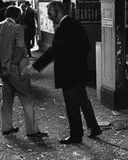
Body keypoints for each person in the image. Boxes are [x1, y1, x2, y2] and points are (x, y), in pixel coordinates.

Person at [30, 1, 101, 144]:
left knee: (72, 105)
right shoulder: (74, 24)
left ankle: (76, 135)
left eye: (50, 14)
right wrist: (77, 60)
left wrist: (35, 66)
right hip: (78, 71)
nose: (49, 17)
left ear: (59, 12)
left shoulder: (65, 27)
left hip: (70, 72)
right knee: (82, 101)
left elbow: (55, 49)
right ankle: (94, 128)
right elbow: (85, 46)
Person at [0, 6, 47, 138]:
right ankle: (32, 131)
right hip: (16, 68)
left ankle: (7, 127)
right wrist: (11, 64)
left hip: (2, 68)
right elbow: (21, 49)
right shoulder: (17, 28)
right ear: (18, 16)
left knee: (7, 98)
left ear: (6, 14)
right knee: (27, 97)